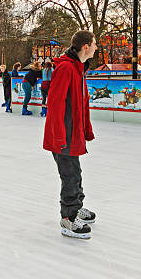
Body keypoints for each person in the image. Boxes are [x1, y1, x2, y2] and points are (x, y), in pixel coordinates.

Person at [43, 30, 97, 239]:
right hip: (63, 134)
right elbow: (55, 104)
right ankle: (68, 217)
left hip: (72, 133)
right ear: (85, 46)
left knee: (75, 173)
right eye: (94, 44)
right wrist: (58, 136)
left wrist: (85, 130)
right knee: (70, 175)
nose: (96, 48)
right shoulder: (66, 68)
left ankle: (77, 208)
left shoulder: (78, 68)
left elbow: (81, 104)